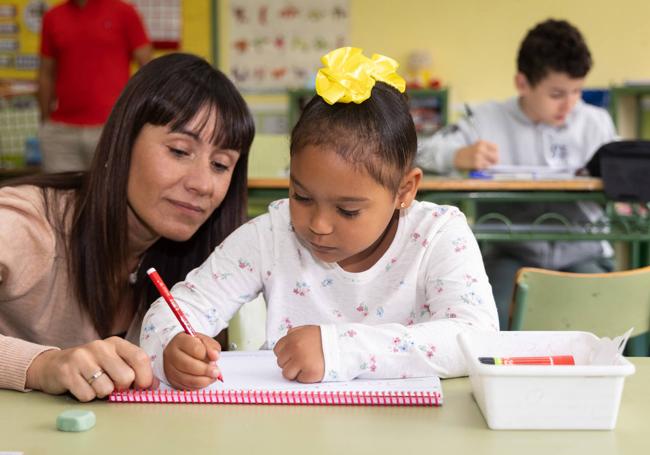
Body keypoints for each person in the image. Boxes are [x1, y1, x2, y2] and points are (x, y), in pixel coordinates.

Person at [140, 47, 498, 390]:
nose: (318, 225)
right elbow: (174, 312)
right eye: (301, 196)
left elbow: (477, 338)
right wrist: (171, 349)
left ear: (405, 190)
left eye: (348, 210)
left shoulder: (436, 234)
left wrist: (340, 349)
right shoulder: (273, 234)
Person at [0, 53, 255, 401]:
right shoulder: (27, 222)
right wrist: (44, 365)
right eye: (180, 151)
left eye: (221, 164)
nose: (203, 184)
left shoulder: (203, 271)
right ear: (123, 141)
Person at [416, 19, 618, 329]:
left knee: (606, 321)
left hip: (583, 250)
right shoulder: (486, 120)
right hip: (510, 252)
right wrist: (458, 155)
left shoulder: (596, 123)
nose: (570, 104)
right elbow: (420, 152)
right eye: (556, 93)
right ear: (522, 83)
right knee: (486, 322)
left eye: (577, 91)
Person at [37, 0, 153, 172]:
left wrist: (137, 116)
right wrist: (45, 121)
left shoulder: (125, 12)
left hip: (111, 129)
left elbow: (149, 69)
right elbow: (46, 74)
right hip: (61, 133)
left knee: (110, 197)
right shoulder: (52, 17)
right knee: (59, 197)